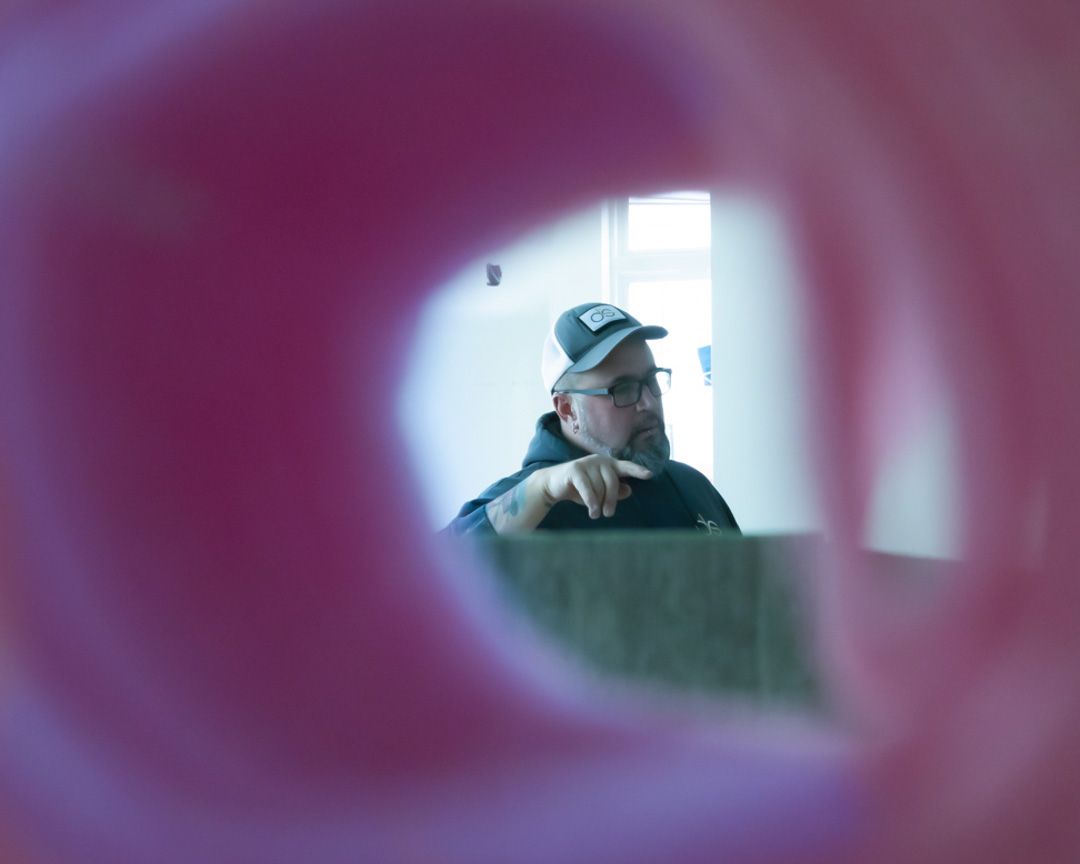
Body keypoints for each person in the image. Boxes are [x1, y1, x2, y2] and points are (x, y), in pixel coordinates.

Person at [445, 302, 740, 535]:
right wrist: (541, 491)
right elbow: (422, 579)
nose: (648, 402)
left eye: (652, 379)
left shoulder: (692, 486)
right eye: (622, 389)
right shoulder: (531, 506)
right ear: (566, 409)